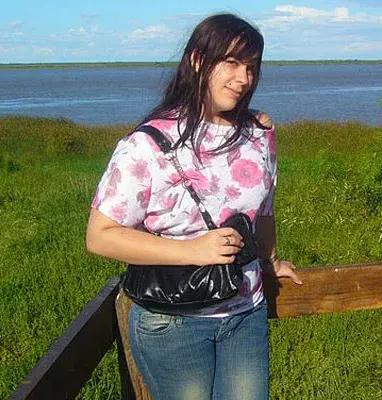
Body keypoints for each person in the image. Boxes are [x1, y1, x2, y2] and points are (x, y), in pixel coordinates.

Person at [86, 13, 302, 400]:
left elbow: (264, 210)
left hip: (245, 311)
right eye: (232, 63)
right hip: (174, 321)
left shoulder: (258, 132)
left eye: (251, 67)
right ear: (198, 60)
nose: (243, 78)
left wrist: (269, 260)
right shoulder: (146, 145)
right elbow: (100, 237)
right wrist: (192, 251)